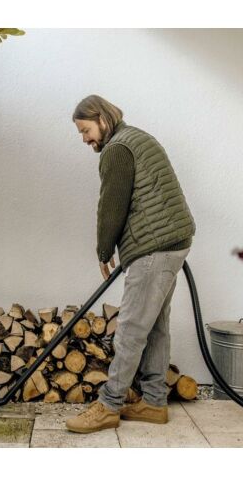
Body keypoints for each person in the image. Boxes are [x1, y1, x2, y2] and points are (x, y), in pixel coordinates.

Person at [65, 95, 196, 434]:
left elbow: (112, 204)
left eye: (85, 130)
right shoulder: (136, 137)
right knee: (155, 327)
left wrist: (103, 249)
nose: (85, 139)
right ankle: (153, 401)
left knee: (131, 329)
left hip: (155, 247)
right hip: (171, 241)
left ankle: (109, 406)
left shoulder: (118, 149)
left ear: (101, 118)